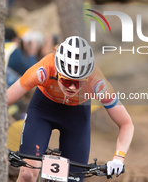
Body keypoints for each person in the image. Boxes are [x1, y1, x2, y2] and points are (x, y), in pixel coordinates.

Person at [7, 36, 134, 182]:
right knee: (28, 174)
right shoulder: (44, 68)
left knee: (72, 179)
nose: (72, 87)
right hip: (43, 110)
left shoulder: (97, 81)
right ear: (58, 72)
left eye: (78, 83)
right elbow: (4, 101)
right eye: (66, 81)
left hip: (76, 116)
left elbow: (126, 123)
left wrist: (118, 157)